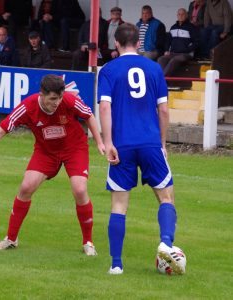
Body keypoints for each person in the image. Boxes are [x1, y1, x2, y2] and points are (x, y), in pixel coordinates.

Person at [0, 74, 105, 256]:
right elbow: (1, 130)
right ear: (42, 94)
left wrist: (100, 142)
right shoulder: (28, 107)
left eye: (60, 98)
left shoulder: (70, 100)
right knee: (26, 187)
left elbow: (89, 115)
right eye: (53, 99)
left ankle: (88, 242)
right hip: (46, 151)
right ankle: (11, 239)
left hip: (74, 148)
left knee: (79, 190)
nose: (57, 103)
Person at [98, 23, 184, 275]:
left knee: (119, 205)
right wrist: (163, 144)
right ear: (138, 43)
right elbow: (164, 110)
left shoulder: (109, 70)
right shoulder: (154, 68)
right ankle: (166, 244)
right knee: (166, 196)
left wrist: (109, 142)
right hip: (149, 142)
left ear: (116, 43)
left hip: (122, 144)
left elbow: (104, 107)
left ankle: (116, 264)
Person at [157, 8, 198, 76]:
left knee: (174, 60)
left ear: (186, 15)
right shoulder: (173, 27)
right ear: (177, 15)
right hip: (173, 53)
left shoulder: (191, 27)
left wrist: (187, 50)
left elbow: (196, 42)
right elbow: (168, 40)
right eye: (179, 14)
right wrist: (166, 50)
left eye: (183, 14)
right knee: (161, 59)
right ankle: (162, 78)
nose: (181, 16)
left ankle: (162, 79)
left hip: (185, 54)